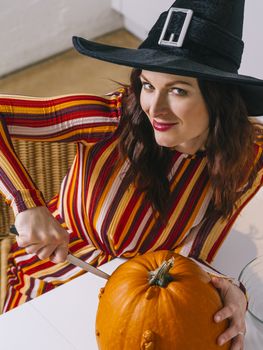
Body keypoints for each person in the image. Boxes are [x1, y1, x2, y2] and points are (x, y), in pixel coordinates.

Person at [0, 0, 262, 347]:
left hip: (146, 297)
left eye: (178, 90)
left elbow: (196, 256)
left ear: (220, 99)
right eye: (148, 85)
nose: (153, 106)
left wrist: (233, 290)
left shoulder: (249, 156)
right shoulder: (110, 119)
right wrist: (27, 204)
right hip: (46, 274)